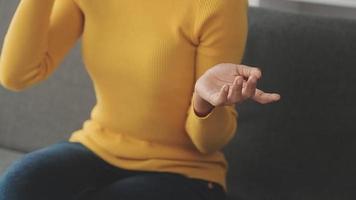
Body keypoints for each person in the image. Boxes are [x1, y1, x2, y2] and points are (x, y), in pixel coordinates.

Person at [0, 0, 280, 200]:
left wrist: (204, 102)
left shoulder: (217, 4)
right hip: (97, 146)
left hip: (185, 172)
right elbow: (17, 75)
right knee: (18, 185)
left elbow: (208, 143)